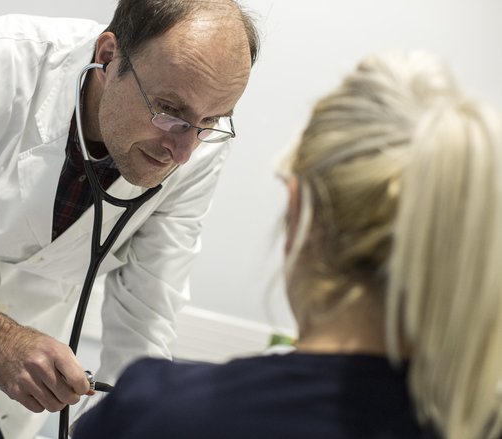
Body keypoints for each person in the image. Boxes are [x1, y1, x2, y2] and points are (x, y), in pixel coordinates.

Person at [0, 1, 260, 438]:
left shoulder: (200, 147)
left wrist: (125, 416)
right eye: (168, 109)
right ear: (107, 56)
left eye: (211, 120)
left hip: (28, 367)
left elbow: (148, 305)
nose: (184, 151)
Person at [72, 50, 502, 439]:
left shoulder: (158, 414)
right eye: (170, 109)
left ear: (301, 212)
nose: (183, 150)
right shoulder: (473, 421)